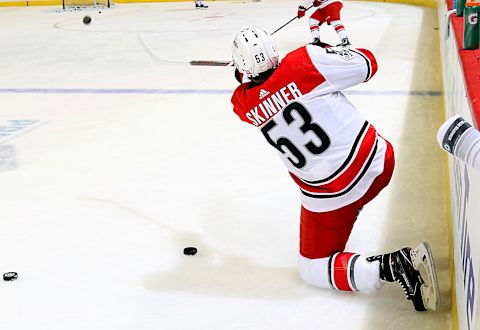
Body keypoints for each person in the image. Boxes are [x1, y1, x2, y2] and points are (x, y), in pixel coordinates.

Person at [230, 28, 440, 311]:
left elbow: (245, 93)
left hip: (332, 197)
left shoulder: (244, 105)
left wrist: (243, 75)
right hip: (378, 162)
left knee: (312, 268)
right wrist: (326, 52)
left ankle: (392, 266)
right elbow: (369, 64)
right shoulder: (305, 60)